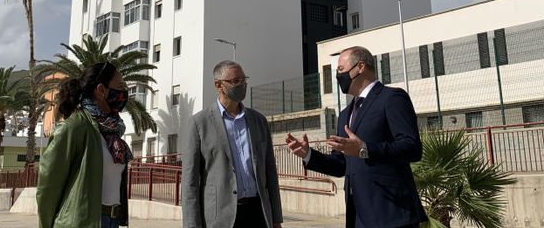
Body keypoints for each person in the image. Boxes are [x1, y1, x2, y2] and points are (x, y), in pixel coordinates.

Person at [286, 46, 427, 228]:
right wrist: (308, 155)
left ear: (360, 67)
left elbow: (412, 147)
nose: (338, 77)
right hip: (357, 216)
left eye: (341, 70)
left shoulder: (391, 98)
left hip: (392, 213)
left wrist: (365, 149)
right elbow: (341, 165)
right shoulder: (345, 114)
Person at [182, 60, 283, 228]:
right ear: (219, 85)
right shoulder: (199, 123)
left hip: (258, 213)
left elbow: (270, 172)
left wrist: (276, 218)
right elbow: (190, 182)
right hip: (220, 218)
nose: (241, 85)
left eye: (244, 80)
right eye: (235, 81)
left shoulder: (258, 121)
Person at [37, 62, 132, 228]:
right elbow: (48, 187)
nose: (124, 91)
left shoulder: (113, 131)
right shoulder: (74, 127)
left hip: (112, 221)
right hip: (81, 222)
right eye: (120, 85)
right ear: (101, 90)